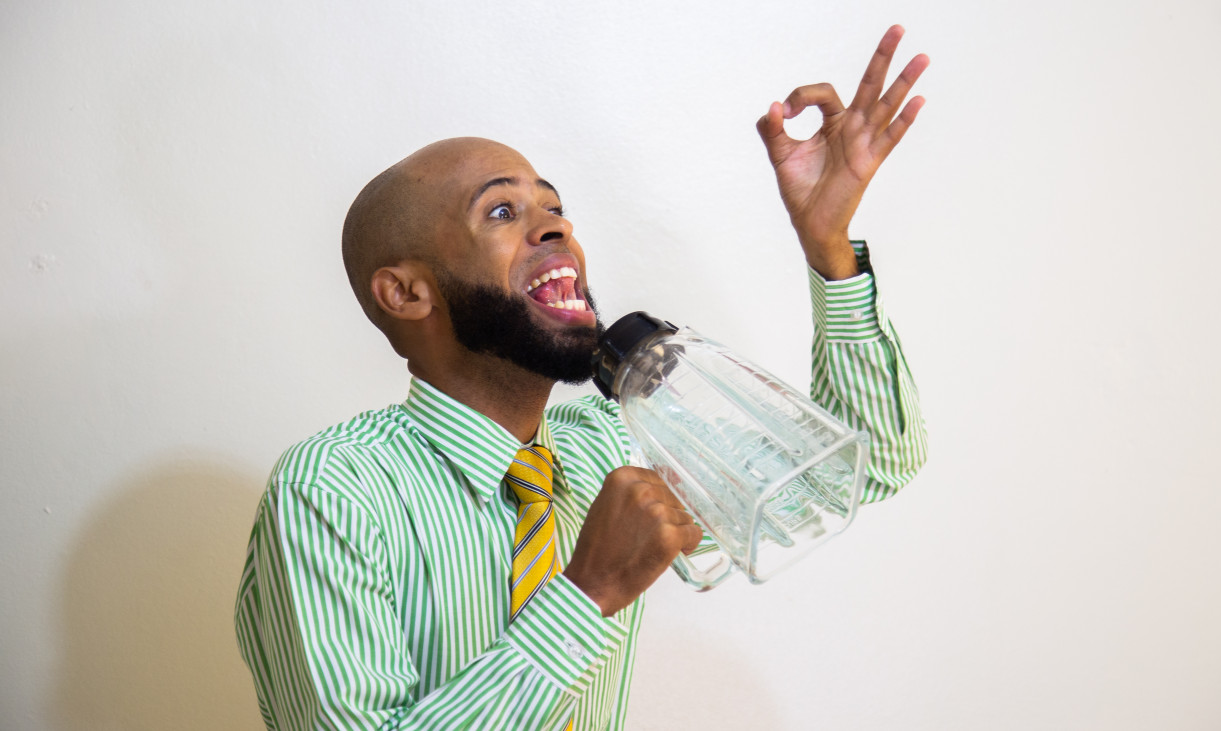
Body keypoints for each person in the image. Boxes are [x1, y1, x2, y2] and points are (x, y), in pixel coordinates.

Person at [235, 24, 930, 731]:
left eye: (556, 207)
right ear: (408, 293)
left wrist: (829, 248)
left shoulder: (612, 445)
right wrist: (588, 593)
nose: (556, 229)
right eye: (501, 211)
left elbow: (856, 472)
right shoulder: (334, 489)